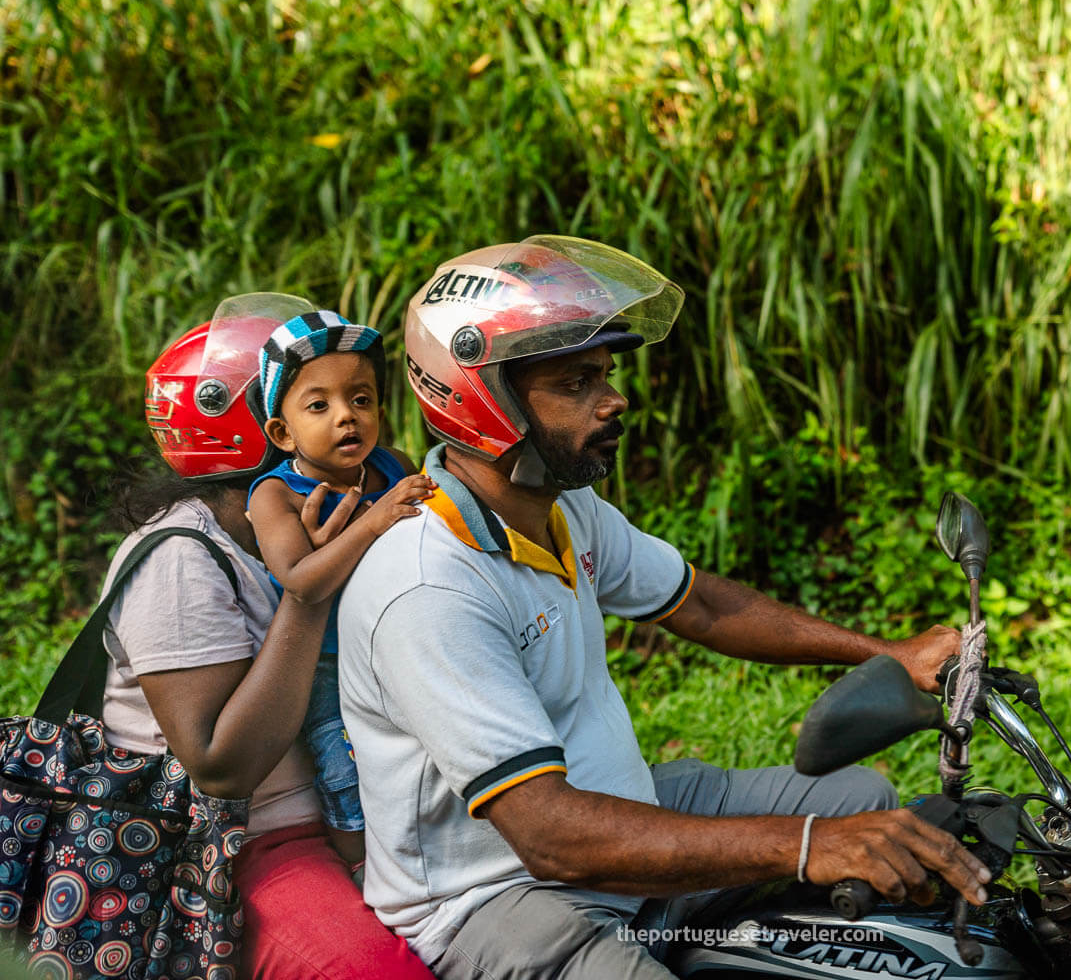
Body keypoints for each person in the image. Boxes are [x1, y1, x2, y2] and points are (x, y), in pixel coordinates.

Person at [337, 237, 991, 979]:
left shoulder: (562, 508)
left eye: (607, 376)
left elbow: (701, 603)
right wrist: (806, 846)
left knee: (862, 799)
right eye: (578, 383)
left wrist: (891, 652)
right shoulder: (429, 587)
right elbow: (549, 835)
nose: (615, 400)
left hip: (622, 806)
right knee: (829, 834)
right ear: (486, 401)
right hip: (505, 894)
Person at [102, 295, 435, 979]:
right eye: (314, 401)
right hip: (247, 843)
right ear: (270, 426)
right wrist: (307, 596)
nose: (344, 416)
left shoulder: (344, 494)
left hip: (373, 799)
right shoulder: (179, 558)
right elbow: (222, 768)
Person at [246, 311, 437, 868]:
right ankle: (361, 872)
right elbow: (302, 582)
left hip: (402, 641)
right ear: (282, 433)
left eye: (361, 399)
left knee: (421, 753)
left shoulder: (391, 466)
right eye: (318, 405)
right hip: (329, 665)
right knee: (345, 771)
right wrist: (374, 523)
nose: (346, 417)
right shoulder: (275, 496)